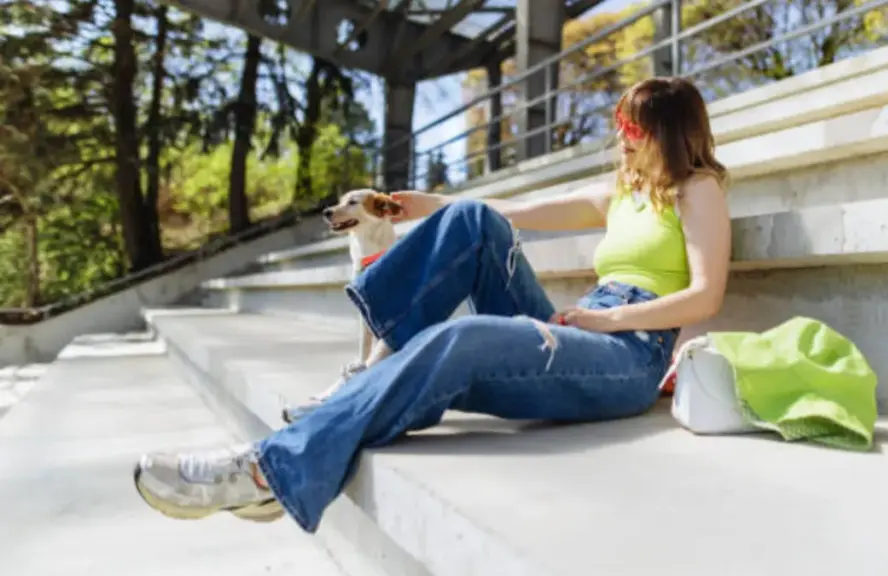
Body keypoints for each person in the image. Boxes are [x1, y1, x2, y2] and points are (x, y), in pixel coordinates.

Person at [132, 77, 732, 533]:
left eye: (634, 130)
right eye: (621, 127)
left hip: (628, 353)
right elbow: (507, 215)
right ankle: (371, 364)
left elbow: (706, 296)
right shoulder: (621, 191)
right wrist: (430, 206)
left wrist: (608, 319)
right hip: (584, 325)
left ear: (670, 135)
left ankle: (266, 471)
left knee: (460, 340)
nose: (621, 141)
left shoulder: (696, 189)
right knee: (471, 219)